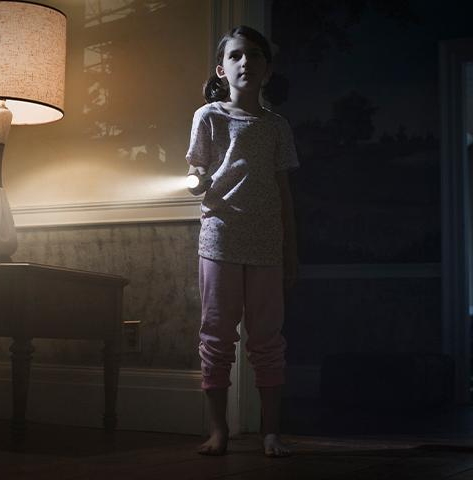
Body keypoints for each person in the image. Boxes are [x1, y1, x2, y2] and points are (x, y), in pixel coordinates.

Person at [185, 25, 299, 457]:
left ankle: (271, 432)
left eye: (254, 55)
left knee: (268, 339)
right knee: (216, 335)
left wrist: (291, 251)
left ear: (267, 69)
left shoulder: (278, 126)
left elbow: (284, 193)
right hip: (220, 240)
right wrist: (197, 181)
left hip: (267, 245)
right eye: (235, 55)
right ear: (221, 68)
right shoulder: (208, 116)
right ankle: (219, 431)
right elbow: (196, 173)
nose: (245, 61)